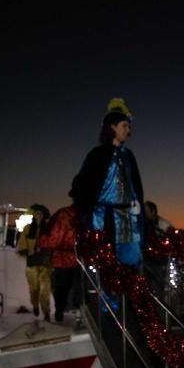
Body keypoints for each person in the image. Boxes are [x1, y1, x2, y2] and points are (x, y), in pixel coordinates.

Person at [74, 97, 145, 267]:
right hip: (104, 220)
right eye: (124, 126)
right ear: (112, 127)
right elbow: (79, 186)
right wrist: (87, 218)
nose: (128, 130)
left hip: (128, 221)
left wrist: (137, 204)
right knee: (107, 270)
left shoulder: (128, 156)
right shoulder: (97, 155)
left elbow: (136, 186)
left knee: (131, 267)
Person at [39, 190, 82, 323]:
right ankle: (75, 312)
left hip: (68, 259)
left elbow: (50, 238)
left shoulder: (62, 214)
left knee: (63, 288)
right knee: (75, 287)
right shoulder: (84, 215)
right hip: (73, 259)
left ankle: (61, 311)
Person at [16, 204, 52, 321]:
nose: (38, 216)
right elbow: (21, 244)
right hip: (32, 263)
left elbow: (52, 243)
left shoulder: (48, 229)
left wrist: (46, 251)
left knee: (44, 290)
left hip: (45, 263)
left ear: (44, 215)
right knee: (34, 288)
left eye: (40, 214)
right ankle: (35, 306)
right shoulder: (27, 228)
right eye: (36, 214)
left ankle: (46, 312)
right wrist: (28, 251)